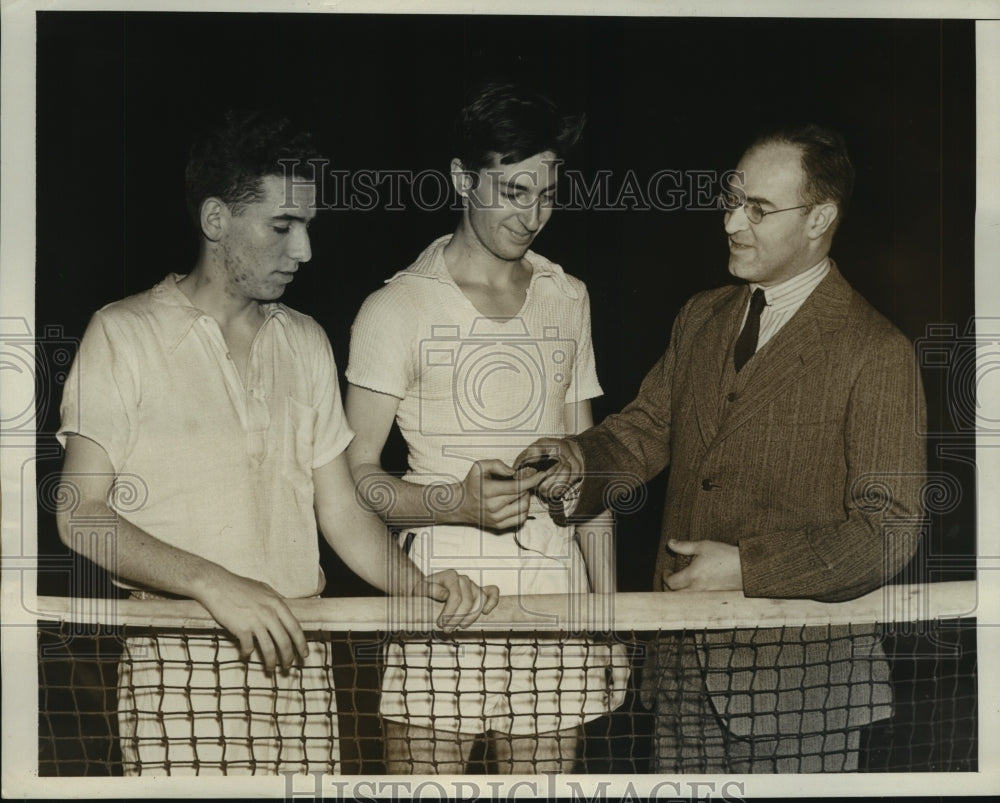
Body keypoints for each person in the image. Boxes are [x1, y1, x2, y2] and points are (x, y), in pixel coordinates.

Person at [54, 110, 498, 777]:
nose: (305, 251)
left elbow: (341, 511)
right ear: (215, 220)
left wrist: (416, 586)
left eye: (309, 227)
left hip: (300, 657)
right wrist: (215, 584)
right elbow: (79, 513)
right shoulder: (123, 333)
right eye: (283, 226)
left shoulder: (307, 340)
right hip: (182, 669)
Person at [519, 124, 926, 773]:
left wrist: (747, 567)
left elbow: (889, 531)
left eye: (759, 208)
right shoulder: (702, 316)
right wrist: (578, 459)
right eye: (731, 198)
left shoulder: (875, 352)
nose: (732, 221)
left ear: (820, 217)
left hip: (801, 697)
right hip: (681, 681)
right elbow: (644, 429)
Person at [345, 82, 627, 774]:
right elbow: (354, 481)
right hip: (445, 593)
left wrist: (613, 618)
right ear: (462, 178)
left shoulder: (569, 296)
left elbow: (588, 475)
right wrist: (454, 502)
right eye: (511, 190)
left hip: (556, 598)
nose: (532, 214)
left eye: (547, 192)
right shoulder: (395, 308)